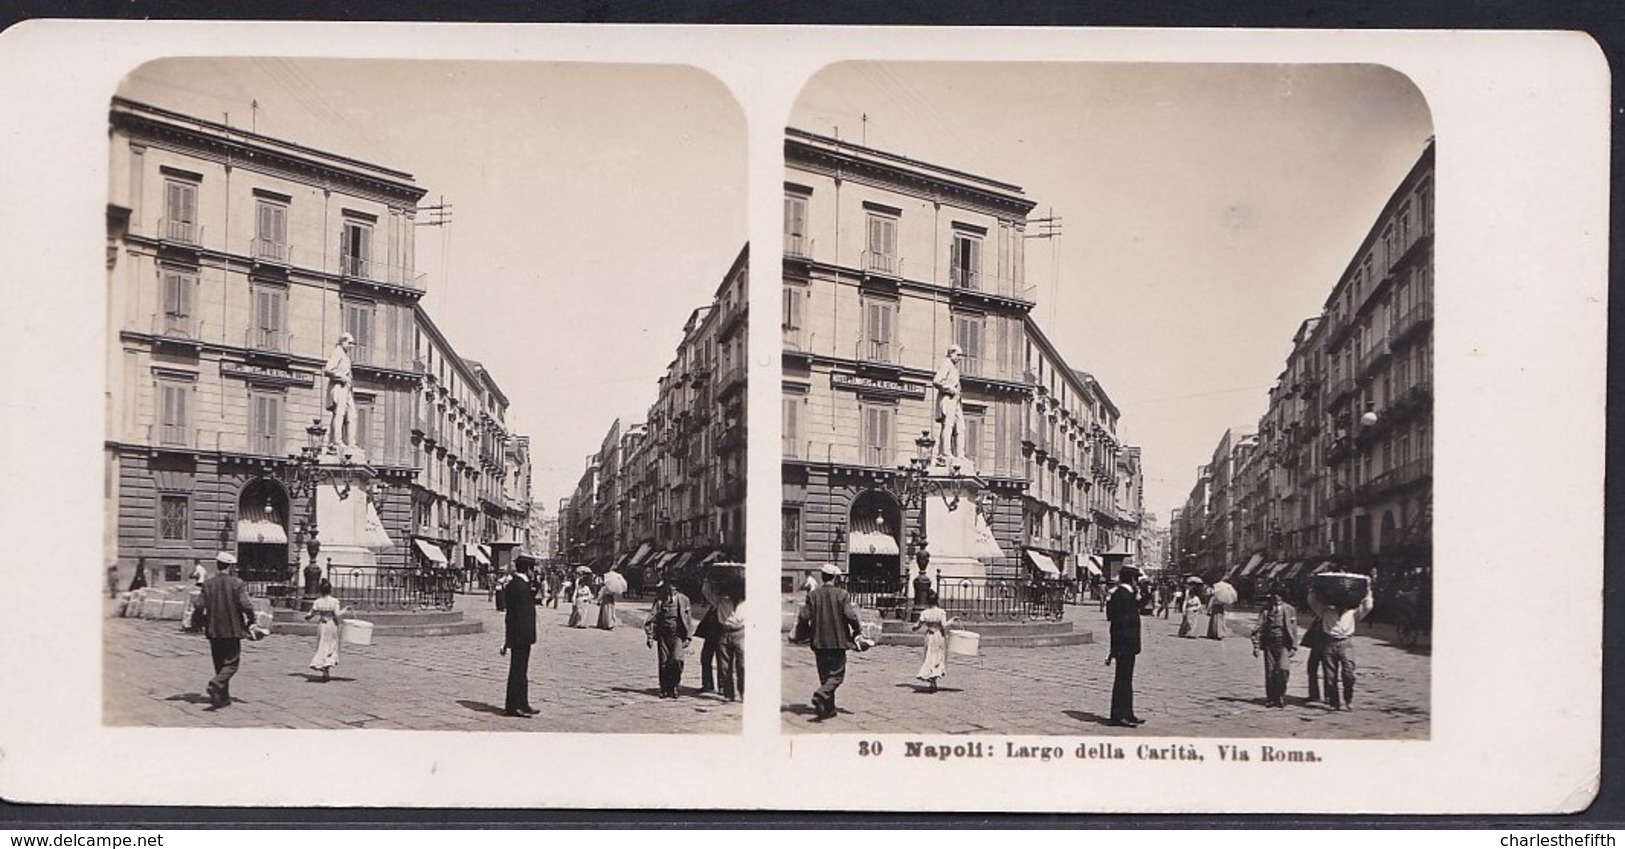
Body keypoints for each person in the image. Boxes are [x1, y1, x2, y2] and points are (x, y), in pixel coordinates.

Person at [796, 563, 863, 720]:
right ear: (835, 578)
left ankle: (827, 709)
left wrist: (805, 633)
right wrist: (857, 630)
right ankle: (821, 694)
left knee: (825, 676)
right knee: (837, 676)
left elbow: (804, 616)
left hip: (818, 641)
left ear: (822, 576)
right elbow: (850, 615)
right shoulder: (842, 594)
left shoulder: (813, 595)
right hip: (838, 641)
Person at [197, 551, 256, 709]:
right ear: (230, 566)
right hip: (232, 629)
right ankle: (216, 683)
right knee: (231, 664)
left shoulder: (208, 583)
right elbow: (246, 605)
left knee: (219, 663)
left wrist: (198, 622)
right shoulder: (237, 583)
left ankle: (222, 698)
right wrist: (252, 619)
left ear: (218, 565)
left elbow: (199, 605)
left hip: (213, 629)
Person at [1308, 580, 1376, 711]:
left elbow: (1368, 606)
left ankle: (1348, 699)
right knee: (1330, 676)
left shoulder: (1352, 612)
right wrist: (1312, 588)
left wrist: (1368, 590)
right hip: (1329, 642)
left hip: (1346, 643)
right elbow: (1313, 603)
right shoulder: (1326, 611)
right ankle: (1334, 702)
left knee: (1349, 674)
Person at [499, 559, 539, 717]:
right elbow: (513, 615)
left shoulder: (521, 584)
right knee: (517, 670)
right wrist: (509, 639)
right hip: (519, 634)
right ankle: (513, 706)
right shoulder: (517, 585)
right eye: (532, 569)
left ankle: (523, 703)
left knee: (522, 671)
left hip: (523, 634)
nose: (533, 572)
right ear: (528, 568)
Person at [643, 579, 693, 699]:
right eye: (669, 586)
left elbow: (688, 620)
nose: (672, 589)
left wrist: (688, 637)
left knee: (677, 660)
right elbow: (651, 617)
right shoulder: (660, 600)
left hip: (678, 635)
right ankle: (665, 688)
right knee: (663, 662)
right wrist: (650, 636)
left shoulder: (684, 600)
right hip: (663, 635)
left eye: (674, 586)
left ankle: (675, 685)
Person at [1250, 588, 1300, 707]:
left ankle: (1281, 694)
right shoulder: (1266, 610)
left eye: (1280, 595)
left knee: (1284, 670)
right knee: (1270, 672)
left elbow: (1293, 629)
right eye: (1275, 595)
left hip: (1283, 644)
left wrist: (1293, 646)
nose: (1277, 597)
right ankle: (1272, 698)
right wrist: (1256, 646)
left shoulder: (1290, 609)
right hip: (1269, 644)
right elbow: (1257, 627)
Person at [704, 578, 745, 702]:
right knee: (724, 666)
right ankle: (728, 694)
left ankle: (744, 692)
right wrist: (707, 579)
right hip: (724, 633)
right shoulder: (722, 601)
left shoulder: (747, 602)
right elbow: (707, 593)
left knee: (743, 665)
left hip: (741, 633)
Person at [911, 590, 954, 692]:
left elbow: (917, 625)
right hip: (938, 635)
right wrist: (951, 621)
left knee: (929, 655)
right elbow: (944, 625)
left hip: (929, 635)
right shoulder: (941, 612)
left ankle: (930, 677)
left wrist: (914, 628)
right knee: (938, 656)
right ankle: (934, 677)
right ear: (937, 600)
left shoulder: (925, 613)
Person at [303, 579, 344, 682]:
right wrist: (346, 609)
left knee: (322, 644)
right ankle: (326, 666)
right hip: (331, 625)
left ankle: (322, 666)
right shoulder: (334, 601)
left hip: (322, 624)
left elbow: (310, 614)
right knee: (331, 645)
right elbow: (337, 614)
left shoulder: (318, 602)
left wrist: (307, 616)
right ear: (330, 590)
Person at [931, 344, 966, 463]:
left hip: (956, 401)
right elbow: (937, 381)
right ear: (951, 353)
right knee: (948, 426)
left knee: (961, 428)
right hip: (948, 399)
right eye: (958, 355)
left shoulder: (954, 367)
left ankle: (960, 455)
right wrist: (952, 389)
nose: (960, 358)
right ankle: (945, 453)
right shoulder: (946, 364)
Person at [323, 332, 358, 450]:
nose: (351, 346)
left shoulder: (344, 355)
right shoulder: (337, 352)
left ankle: (351, 443)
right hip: (339, 386)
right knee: (340, 414)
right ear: (342, 341)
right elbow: (328, 369)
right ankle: (337, 442)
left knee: (352, 416)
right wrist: (343, 377)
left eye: (352, 344)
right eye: (349, 343)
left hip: (347, 388)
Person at [695, 601, 722, 694]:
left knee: (722, 662)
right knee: (705, 659)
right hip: (710, 636)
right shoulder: (713, 606)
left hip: (721, 637)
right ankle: (707, 685)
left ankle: (722, 687)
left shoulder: (726, 604)